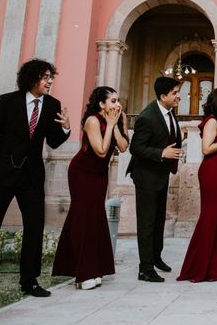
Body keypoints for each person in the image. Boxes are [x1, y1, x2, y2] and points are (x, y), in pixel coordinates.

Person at [0, 59, 70, 305]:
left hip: (32, 177)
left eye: (51, 77)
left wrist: (65, 128)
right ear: (32, 78)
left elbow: (54, 142)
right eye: (46, 77)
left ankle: (30, 280)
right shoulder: (7, 101)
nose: (50, 81)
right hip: (1, 175)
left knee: (34, 229)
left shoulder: (53, 104)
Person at [52, 87, 129, 290]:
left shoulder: (118, 119)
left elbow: (122, 147)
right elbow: (102, 151)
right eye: (112, 101)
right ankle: (82, 272)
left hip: (100, 174)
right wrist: (110, 125)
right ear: (101, 104)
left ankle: (95, 269)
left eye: (118, 100)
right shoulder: (92, 121)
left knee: (96, 218)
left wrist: (116, 125)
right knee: (82, 217)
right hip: (83, 173)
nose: (117, 104)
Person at [126, 76, 183, 283]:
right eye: (175, 93)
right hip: (146, 176)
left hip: (161, 175)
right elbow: (136, 148)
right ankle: (145, 268)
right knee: (147, 222)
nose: (179, 96)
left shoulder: (169, 112)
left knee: (159, 219)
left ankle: (156, 257)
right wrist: (162, 153)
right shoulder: (147, 117)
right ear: (163, 96)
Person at [178, 88, 217, 282]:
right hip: (211, 173)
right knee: (209, 218)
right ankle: (201, 266)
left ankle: (214, 262)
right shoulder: (212, 121)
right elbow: (207, 148)